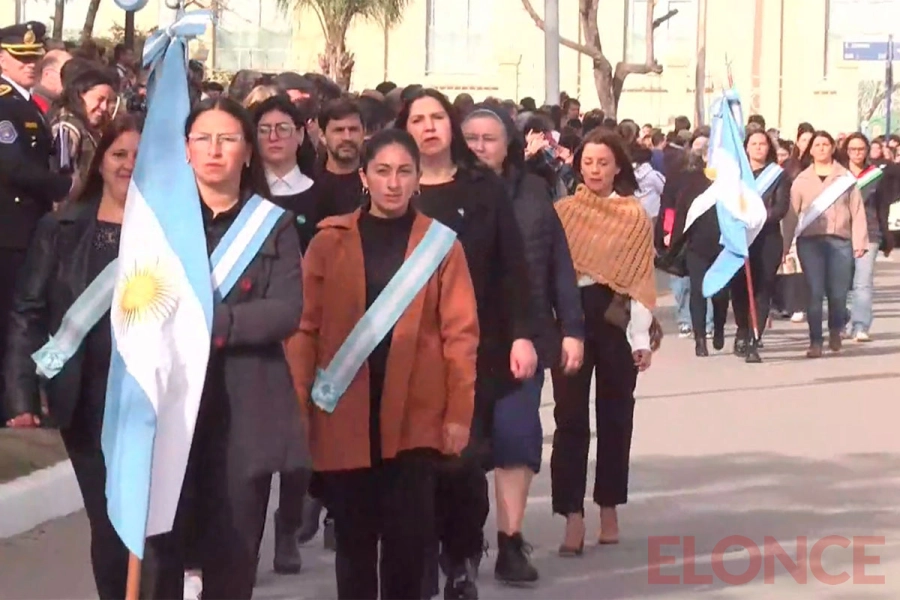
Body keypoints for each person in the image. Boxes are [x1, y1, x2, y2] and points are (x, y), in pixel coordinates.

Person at [284, 128, 479, 599]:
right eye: (383, 171)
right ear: (365, 177)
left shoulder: (442, 246)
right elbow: (304, 329)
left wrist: (458, 414)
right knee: (352, 544)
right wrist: (298, 408)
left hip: (416, 416)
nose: (393, 183)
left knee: (408, 548)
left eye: (404, 172)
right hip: (343, 411)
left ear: (418, 180)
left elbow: (461, 335)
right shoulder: (329, 241)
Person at [141, 97, 308, 599]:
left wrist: (215, 325)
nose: (215, 150)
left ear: (248, 152)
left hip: (244, 405)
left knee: (233, 551)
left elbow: (284, 311)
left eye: (228, 139)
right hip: (168, 406)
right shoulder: (156, 223)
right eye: (203, 139)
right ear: (186, 151)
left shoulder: (272, 225)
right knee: (161, 551)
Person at [3, 116, 141, 598]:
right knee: (108, 524)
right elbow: (28, 311)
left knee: (151, 528)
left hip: (148, 398)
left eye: (140, 156)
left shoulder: (170, 233)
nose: (129, 165)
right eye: (119, 154)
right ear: (100, 160)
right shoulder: (60, 227)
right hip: (84, 397)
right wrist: (21, 394)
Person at [550, 129, 657, 555]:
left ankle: (608, 506)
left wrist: (641, 339)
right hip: (571, 319)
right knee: (570, 419)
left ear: (618, 167)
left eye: (603, 163)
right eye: (588, 163)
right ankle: (571, 516)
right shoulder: (563, 212)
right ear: (578, 165)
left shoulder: (633, 215)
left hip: (615, 318)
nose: (595, 170)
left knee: (616, 416)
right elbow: (551, 273)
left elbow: (639, 283)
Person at [0, 21, 77, 420]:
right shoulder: (4, 104)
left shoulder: (26, 103)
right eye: (19, 57)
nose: (29, 65)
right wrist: (63, 186)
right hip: (9, 231)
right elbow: (11, 166)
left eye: (33, 58)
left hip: (26, 228)